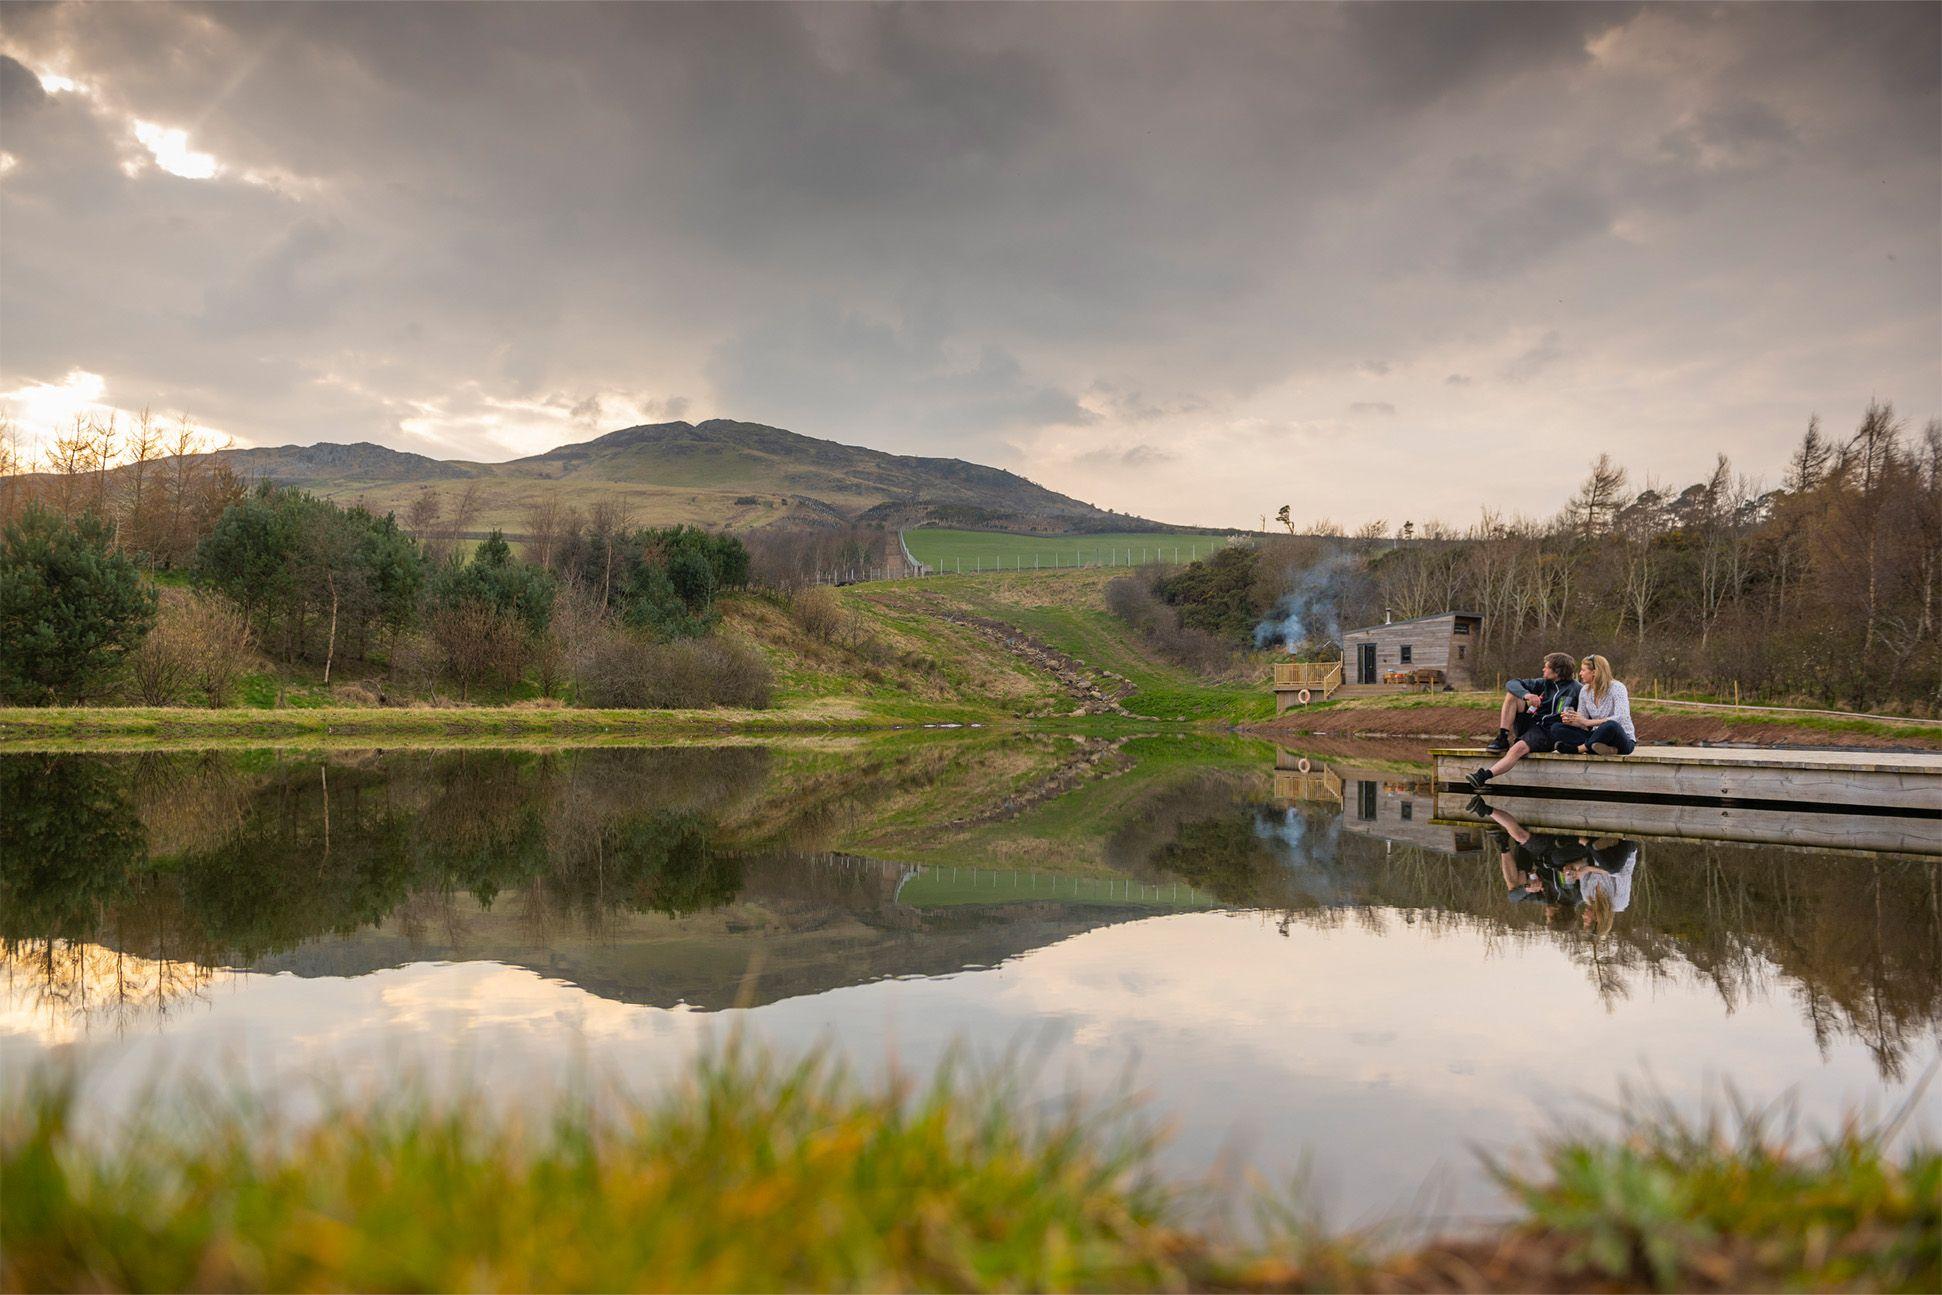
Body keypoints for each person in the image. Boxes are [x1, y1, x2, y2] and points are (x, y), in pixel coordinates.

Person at [1469, 652, 1579, 790]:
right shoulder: (1543, 683)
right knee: (1512, 694)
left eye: (1546, 667)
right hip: (1531, 723)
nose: (1543, 669)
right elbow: (1512, 683)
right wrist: (1527, 695)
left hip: (1549, 732)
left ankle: (1483, 776)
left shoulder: (1576, 689)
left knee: (1517, 749)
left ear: (1557, 671)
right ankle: (1502, 737)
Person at [1552, 654, 1636, 756]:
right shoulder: (1584, 690)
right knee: (1556, 727)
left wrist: (1588, 722)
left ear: (1595, 672)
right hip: (1596, 737)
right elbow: (1583, 722)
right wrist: (1572, 721)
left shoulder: (1617, 687)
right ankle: (1603, 749)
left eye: (1583, 670)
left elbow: (1621, 717)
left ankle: (1579, 748)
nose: (1580, 674)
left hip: (1620, 738)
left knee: (1610, 725)